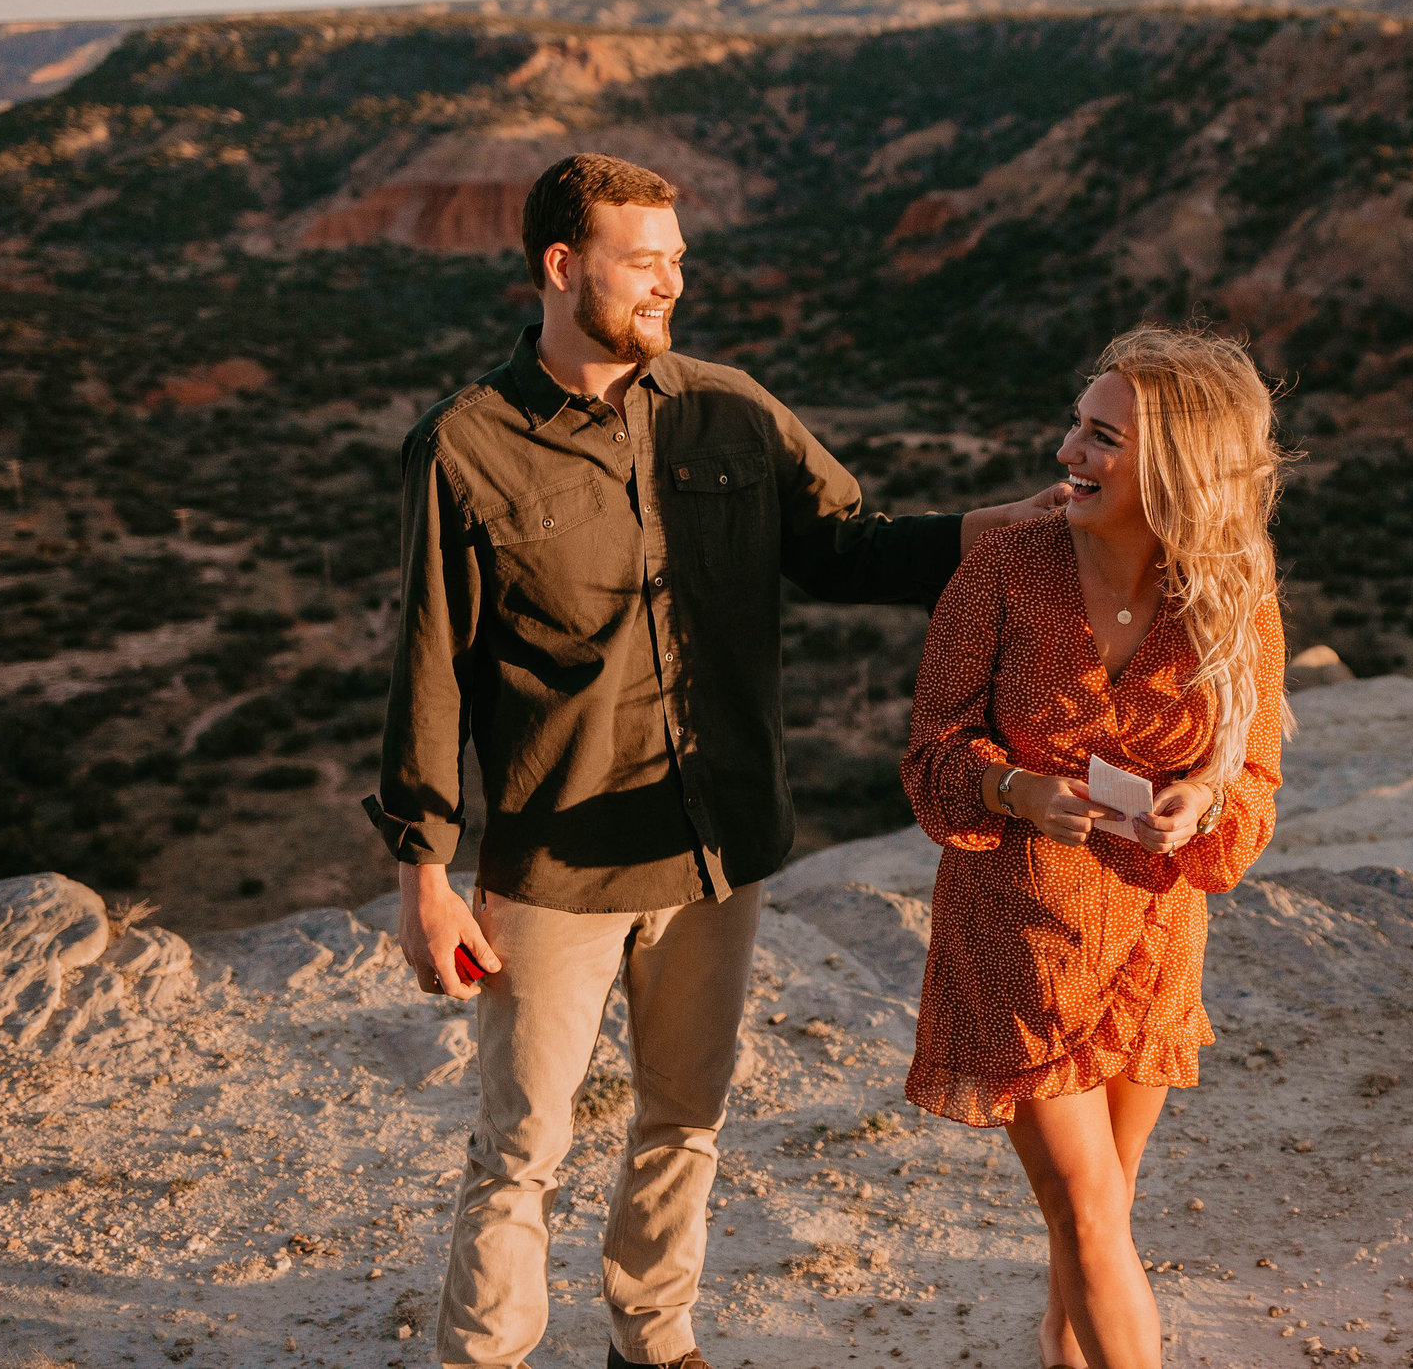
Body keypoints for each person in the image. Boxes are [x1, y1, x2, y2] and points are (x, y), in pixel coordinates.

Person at [365, 152, 1064, 1369]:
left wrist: (1029, 524)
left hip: (715, 848)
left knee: (685, 1118)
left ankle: (654, 1337)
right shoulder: (464, 449)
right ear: (561, 265)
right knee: (521, 1146)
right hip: (554, 868)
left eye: (679, 261)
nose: (670, 284)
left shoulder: (729, 408)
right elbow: (431, 669)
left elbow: (848, 546)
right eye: (646, 261)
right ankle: (483, 1354)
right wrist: (426, 871)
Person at [900, 325, 1293, 1369]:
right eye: (1078, 424)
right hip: (1015, 933)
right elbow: (929, 752)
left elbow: (1249, 779)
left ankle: (1060, 1350)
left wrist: (1200, 806)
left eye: (1102, 436)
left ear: (1177, 468)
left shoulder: (1233, 602)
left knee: (1100, 1208)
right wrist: (1016, 785)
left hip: (1152, 941)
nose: (1069, 451)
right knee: (1086, 1206)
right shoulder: (1001, 571)